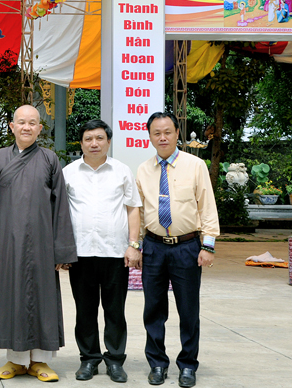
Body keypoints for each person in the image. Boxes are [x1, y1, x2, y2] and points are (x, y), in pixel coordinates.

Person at [0, 105, 77, 382]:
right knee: (11, 297)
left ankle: (40, 361)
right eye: (21, 122)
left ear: (39, 128)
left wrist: (61, 250)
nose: (26, 127)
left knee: (43, 299)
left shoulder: (49, 159)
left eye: (32, 123)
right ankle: (15, 360)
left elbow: (61, 207)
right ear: (12, 126)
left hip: (43, 243)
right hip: (8, 242)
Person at [134, 112, 219, 388]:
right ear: (150, 136)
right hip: (154, 247)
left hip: (186, 247)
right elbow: (139, 212)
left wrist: (208, 245)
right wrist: (136, 245)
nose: (162, 137)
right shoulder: (143, 169)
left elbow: (207, 206)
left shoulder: (195, 166)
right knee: (153, 309)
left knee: (188, 309)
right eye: (157, 133)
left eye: (167, 132)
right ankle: (157, 363)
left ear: (177, 133)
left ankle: (188, 365)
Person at [62, 119, 142, 383]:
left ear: (108, 141)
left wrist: (133, 245)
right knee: (84, 311)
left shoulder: (121, 171)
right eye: (88, 139)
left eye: (99, 138)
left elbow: (133, 208)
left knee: (115, 311)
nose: (93, 143)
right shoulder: (69, 173)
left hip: (115, 253)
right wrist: (62, 251)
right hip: (80, 254)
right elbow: (59, 213)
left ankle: (115, 361)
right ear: (81, 143)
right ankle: (89, 359)